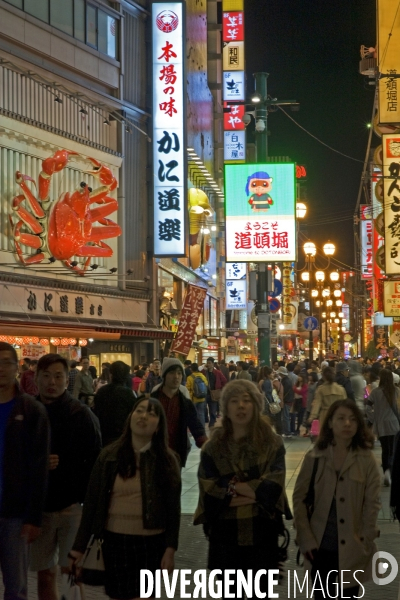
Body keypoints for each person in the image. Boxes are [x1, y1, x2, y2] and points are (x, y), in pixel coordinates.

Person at [68, 398, 181, 599]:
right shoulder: (109, 456)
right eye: (139, 411)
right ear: (130, 417)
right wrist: (79, 547)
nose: (143, 416)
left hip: (151, 543)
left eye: (152, 413)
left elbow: (173, 509)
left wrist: (170, 548)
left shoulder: (167, 460)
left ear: (158, 426)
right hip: (114, 541)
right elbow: (92, 504)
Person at [194, 380, 289, 598]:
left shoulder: (272, 443)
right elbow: (209, 493)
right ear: (225, 407)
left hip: (262, 533)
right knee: (230, 593)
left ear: (256, 405)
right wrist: (254, 494)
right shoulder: (213, 447)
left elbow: (273, 487)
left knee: (260, 593)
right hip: (225, 536)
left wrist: (230, 490)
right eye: (234, 401)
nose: (241, 406)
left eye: (247, 401)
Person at [30, 354, 102, 599]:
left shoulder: (81, 414)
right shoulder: (27, 412)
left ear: (66, 380)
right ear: (36, 378)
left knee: (71, 570)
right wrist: (37, 463)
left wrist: (85, 502)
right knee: (44, 572)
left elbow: (95, 462)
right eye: (46, 375)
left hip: (73, 507)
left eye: (58, 376)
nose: (52, 382)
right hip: (39, 508)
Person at [293, 399, 381, 599]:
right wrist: (305, 538)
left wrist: (366, 539)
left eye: (352, 419)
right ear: (330, 422)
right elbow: (299, 500)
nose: (347, 424)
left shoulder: (366, 460)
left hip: (352, 549)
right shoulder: (314, 457)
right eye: (341, 418)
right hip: (319, 547)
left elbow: (372, 503)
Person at [0, 342, 49, 600]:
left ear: (16, 367)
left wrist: (33, 517)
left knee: (16, 587)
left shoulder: (31, 410)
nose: (1, 368)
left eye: (7, 362)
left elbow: (39, 468)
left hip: (15, 514)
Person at [150, 358, 207, 467]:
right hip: (154, 453)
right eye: (172, 372)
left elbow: (195, 425)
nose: (176, 376)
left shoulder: (185, 403)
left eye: (179, 373)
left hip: (176, 453)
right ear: (164, 375)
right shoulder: (153, 399)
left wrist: (206, 444)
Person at [366, 368, 400, 486]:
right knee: (393, 449)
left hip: (381, 425)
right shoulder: (396, 391)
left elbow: (368, 407)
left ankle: (386, 471)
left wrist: (373, 418)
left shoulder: (375, 392)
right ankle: (389, 471)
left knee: (385, 449)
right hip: (394, 424)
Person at [93, 361, 137, 447]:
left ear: (111, 374)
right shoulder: (128, 393)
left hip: (103, 435)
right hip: (122, 437)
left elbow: (97, 412)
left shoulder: (102, 391)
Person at [204, 357, 227, 428]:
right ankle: (206, 420)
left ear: (213, 364)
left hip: (214, 393)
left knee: (213, 410)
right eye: (207, 363)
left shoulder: (217, 372)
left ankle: (212, 423)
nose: (208, 364)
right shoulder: (204, 372)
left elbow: (224, 381)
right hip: (205, 393)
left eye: (210, 363)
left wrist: (220, 389)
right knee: (204, 408)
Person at [258, 366, 282, 434]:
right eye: (272, 373)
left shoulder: (261, 381)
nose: (273, 374)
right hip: (269, 403)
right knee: (270, 420)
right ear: (268, 374)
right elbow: (271, 394)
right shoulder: (269, 382)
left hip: (264, 402)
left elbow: (260, 391)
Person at [277, 366, 295, 437]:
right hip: (288, 400)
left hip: (286, 401)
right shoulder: (287, 380)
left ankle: (287, 432)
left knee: (285, 417)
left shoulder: (285, 381)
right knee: (286, 416)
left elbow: (284, 392)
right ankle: (287, 431)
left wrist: (281, 400)